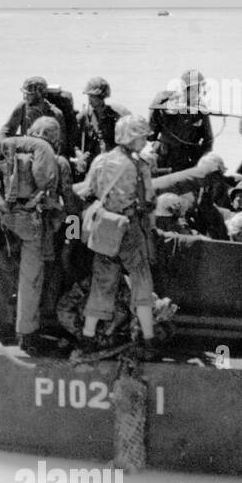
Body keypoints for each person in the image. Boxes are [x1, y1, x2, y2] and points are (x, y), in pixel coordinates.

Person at [74, 115, 160, 357]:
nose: (144, 140)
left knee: (102, 282)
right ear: (132, 136)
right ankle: (149, 338)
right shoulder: (140, 166)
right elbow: (149, 201)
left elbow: (87, 191)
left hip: (106, 229)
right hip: (131, 229)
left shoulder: (100, 161)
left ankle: (89, 337)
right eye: (142, 136)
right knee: (141, 281)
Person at [0, 119, 65, 356]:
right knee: (31, 278)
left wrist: (3, 205)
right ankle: (27, 335)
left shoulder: (1, 144)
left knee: (5, 268)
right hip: (29, 223)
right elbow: (47, 187)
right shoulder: (44, 149)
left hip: (1, 217)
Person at [149, 69, 214, 173]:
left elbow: (208, 140)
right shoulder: (167, 104)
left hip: (189, 160)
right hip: (165, 158)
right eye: (194, 89)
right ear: (185, 89)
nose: (198, 93)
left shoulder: (200, 109)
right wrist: (158, 110)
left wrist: (203, 162)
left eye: (199, 89)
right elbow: (151, 135)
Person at [73, 78, 128, 176]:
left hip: (113, 162)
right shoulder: (84, 116)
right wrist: (80, 156)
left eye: (93, 96)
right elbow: (74, 143)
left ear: (102, 96)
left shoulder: (115, 115)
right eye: (89, 96)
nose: (90, 99)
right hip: (92, 164)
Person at [0, 77, 66, 152]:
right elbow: (6, 132)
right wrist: (5, 149)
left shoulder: (55, 114)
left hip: (45, 153)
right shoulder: (22, 107)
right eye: (24, 93)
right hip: (25, 152)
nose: (25, 97)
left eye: (29, 94)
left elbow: (60, 143)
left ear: (39, 94)